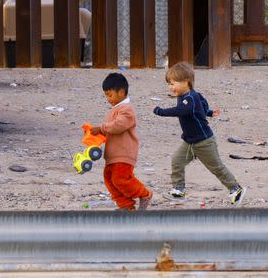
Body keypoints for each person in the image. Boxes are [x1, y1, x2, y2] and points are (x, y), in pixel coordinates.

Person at [153, 61, 246, 205]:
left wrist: (161, 111)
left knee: (216, 168)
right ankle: (178, 191)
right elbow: (201, 105)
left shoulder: (190, 98)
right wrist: (208, 112)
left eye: (173, 83)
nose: (170, 87)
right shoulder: (186, 96)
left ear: (186, 82)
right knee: (177, 161)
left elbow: (182, 111)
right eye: (169, 84)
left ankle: (236, 189)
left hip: (204, 142)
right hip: (189, 141)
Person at [89, 73, 152, 211]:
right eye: (106, 95)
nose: (108, 99)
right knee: (109, 179)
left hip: (124, 154)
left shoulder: (127, 110)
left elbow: (118, 126)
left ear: (122, 92)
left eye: (110, 95)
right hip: (113, 155)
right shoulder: (116, 109)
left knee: (121, 178)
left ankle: (144, 194)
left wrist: (101, 128)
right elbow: (109, 129)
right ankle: (126, 206)